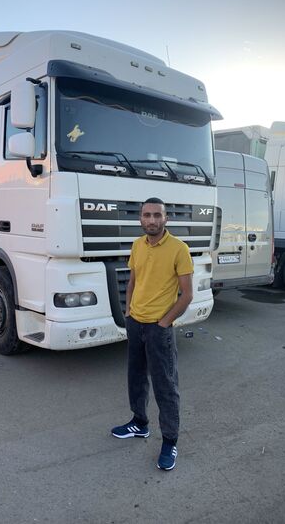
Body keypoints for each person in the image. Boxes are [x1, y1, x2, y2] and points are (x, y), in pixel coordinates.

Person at [111, 197, 194, 471]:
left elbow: (187, 295)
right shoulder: (137, 245)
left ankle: (169, 441)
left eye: (157, 215)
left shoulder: (179, 249)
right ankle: (139, 423)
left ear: (166, 218)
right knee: (136, 377)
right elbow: (133, 281)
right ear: (140, 218)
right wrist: (129, 311)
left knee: (165, 385)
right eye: (147, 215)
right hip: (136, 323)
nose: (152, 220)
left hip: (159, 328)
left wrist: (164, 322)